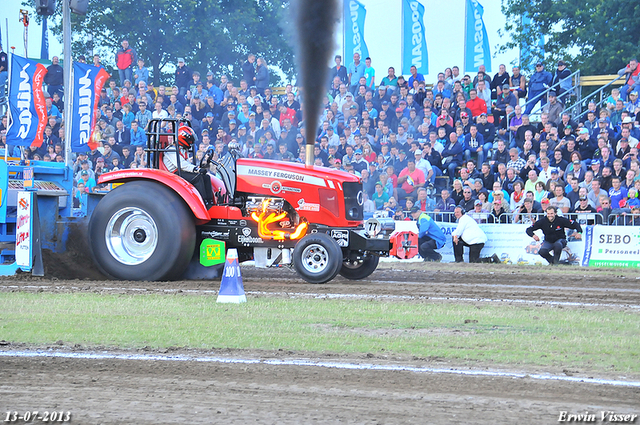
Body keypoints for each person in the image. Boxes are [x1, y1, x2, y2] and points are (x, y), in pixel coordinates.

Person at [163, 125, 213, 208]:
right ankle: (202, 203)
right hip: (174, 173)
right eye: (190, 140)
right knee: (198, 178)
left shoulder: (181, 149)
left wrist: (198, 169)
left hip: (181, 171)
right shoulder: (171, 150)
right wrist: (196, 170)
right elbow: (182, 165)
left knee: (206, 177)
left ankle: (210, 201)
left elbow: (186, 165)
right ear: (184, 139)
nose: (191, 143)